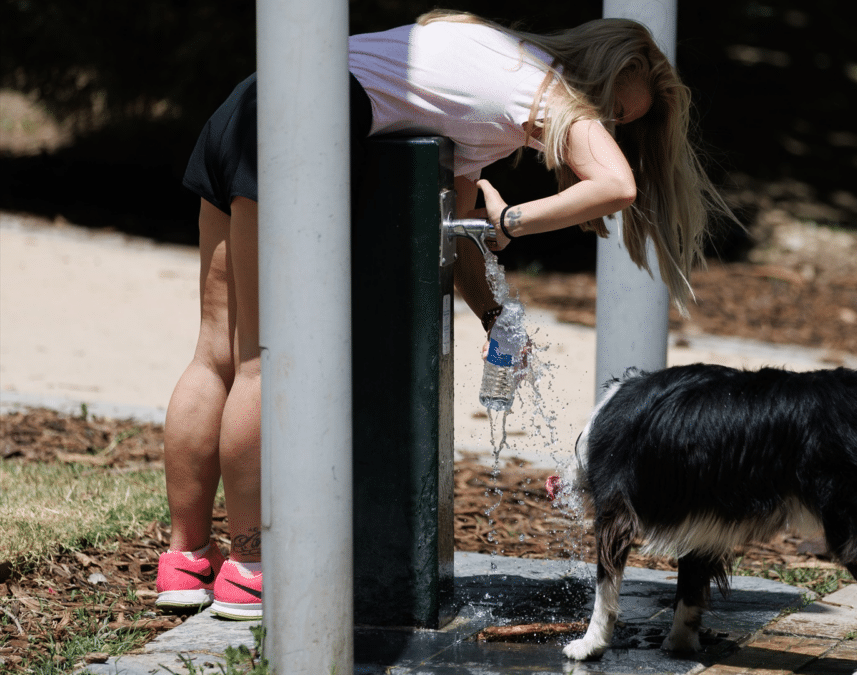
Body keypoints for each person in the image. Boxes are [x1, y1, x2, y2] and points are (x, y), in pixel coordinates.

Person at [154, 9, 732, 620]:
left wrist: (495, 318)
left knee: (215, 353)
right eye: (616, 112)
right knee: (261, 362)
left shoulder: (487, 82)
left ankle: (185, 559)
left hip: (254, 98)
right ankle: (248, 570)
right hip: (298, 120)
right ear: (601, 77)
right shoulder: (543, 91)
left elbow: (452, 241)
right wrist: (514, 221)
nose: (609, 128)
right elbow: (617, 186)